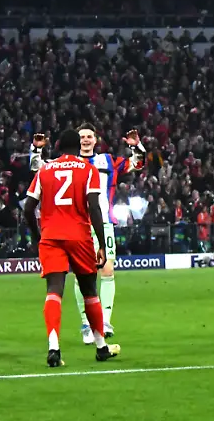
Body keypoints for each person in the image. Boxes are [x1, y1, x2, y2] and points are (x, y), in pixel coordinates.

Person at [31, 124, 144, 344]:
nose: (85, 140)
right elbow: (38, 167)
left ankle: (105, 322)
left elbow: (137, 164)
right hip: (78, 223)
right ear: (77, 140)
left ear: (96, 140)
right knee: (83, 273)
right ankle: (86, 325)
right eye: (82, 136)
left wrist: (136, 146)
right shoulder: (65, 162)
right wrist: (36, 150)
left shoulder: (107, 161)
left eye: (89, 136)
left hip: (103, 221)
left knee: (107, 269)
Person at [23, 129, 121, 367]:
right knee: (90, 291)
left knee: (54, 291)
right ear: (78, 147)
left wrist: (39, 238)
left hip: (51, 237)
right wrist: (102, 245)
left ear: (57, 148)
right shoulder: (89, 169)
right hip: (79, 235)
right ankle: (100, 347)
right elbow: (95, 208)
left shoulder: (45, 170)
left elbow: (27, 208)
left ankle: (54, 348)